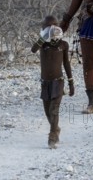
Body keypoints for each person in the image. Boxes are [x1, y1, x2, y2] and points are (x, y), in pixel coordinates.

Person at [31, 15, 74, 149]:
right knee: (47, 111)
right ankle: (56, 128)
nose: (52, 30)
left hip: (58, 82)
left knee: (54, 110)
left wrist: (71, 82)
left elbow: (66, 64)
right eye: (48, 27)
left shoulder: (63, 45)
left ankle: (52, 138)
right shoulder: (42, 44)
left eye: (54, 27)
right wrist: (44, 36)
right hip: (45, 82)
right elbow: (33, 49)